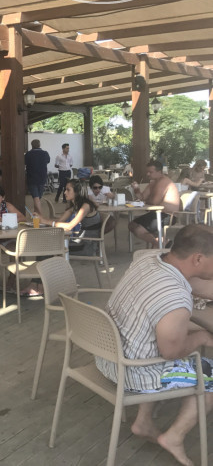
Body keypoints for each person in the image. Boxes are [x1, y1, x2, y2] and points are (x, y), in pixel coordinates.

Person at [95, 225, 213, 466]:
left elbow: (200, 285)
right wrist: (202, 337)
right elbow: (171, 352)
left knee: (159, 335)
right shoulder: (175, 296)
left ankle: (143, 422)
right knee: (208, 372)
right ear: (198, 259)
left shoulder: (149, 259)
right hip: (132, 371)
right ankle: (174, 437)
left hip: (107, 353)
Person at [36, 178, 101, 257]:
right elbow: (60, 221)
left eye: (68, 190)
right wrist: (42, 220)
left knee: (47, 248)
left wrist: (45, 221)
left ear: (77, 192)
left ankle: (51, 264)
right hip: (80, 241)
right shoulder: (75, 206)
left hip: (87, 245)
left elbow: (69, 226)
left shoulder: (85, 206)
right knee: (45, 245)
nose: (65, 192)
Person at [129, 160, 180, 247]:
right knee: (132, 225)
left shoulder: (164, 181)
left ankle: (160, 244)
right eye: (147, 172)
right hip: (156, 213)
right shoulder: (153, 183)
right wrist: (136, 189)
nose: (148, 174)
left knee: (139, 230)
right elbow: (142, 197)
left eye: (150, 172)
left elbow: (154, 202)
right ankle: (163, 242)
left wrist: (145, 201)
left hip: (168, 215)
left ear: (159, 172)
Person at [24, 139, 50, 214]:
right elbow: (48, 161)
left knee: (36, 197)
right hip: (42, 177)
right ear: (39, 144)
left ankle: (38, 215)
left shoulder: (28, 154)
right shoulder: (45, 153)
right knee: (38, 197)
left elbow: (24, 162)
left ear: (32, 145)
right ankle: (37, 215)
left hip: (31, 177)